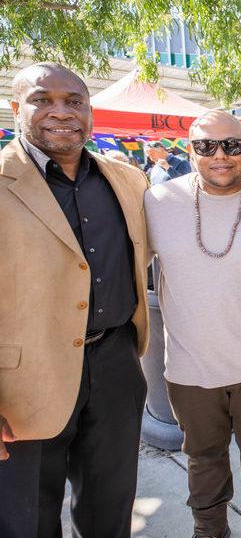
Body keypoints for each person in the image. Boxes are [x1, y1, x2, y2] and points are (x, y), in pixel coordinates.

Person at [0, 63, 150, 536]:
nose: (61, 112)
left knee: (110, 508)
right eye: (43, 100)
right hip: (23, 384)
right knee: (27, 518)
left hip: (115, 365)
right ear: (16, 107)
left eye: (75, 101)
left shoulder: (126, 180)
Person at [145, 110, 241, 538]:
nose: (220, 155)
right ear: (190, 149)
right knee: (202, 455)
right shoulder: (156, 202)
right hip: (189, 366)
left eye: (231, 145)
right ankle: (209, 527)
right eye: (206, 146)